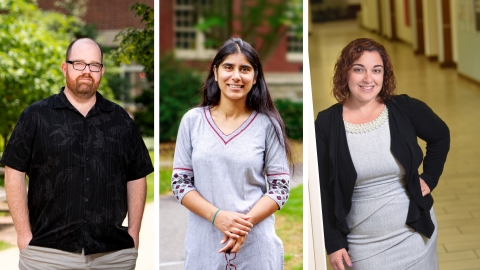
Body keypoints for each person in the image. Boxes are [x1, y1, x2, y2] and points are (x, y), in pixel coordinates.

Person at [1, 38, 153, 269]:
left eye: (94, 65)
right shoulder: (35, 116)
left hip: (112, 255)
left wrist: (133, 235)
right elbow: (14, 172)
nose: (87, 71)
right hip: (47, 253)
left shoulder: (120, 120)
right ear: (65, 68)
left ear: (101, 71)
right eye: (79, 64)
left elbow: (137, 176)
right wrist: (23, 235)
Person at [314, 38, 450, 270]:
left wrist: (429, 178)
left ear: (384, 74)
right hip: (362, 246)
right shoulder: (327, 124)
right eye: (359, 69)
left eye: (376, 70)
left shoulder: (404, 108)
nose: (369, 79)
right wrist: (333, 243)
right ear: (345, 72)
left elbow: (440, 136)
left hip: (414, 236)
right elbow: (323, 191)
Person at [171, 37, 291, 269]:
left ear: (255, 78)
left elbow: (280, 187)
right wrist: (217, 216)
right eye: (228, 67)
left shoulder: (268, 125)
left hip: (256, 247)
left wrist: (242, 226)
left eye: (245, 69)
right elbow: (180, 183)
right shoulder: (192, 121)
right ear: (215, 72)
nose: (236, 76)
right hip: (204, 247)